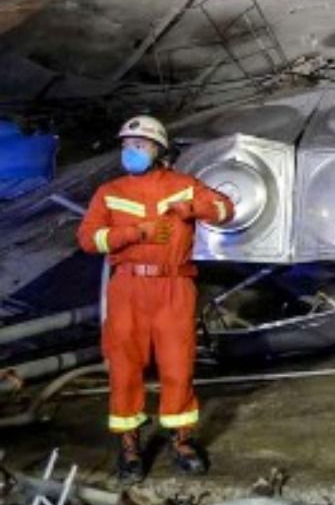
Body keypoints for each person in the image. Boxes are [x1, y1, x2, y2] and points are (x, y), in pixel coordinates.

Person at [76, 116, 234, 484]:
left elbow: (226, 209)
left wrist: (193, 209)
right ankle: (129, 447)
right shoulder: (109, 192)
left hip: (174, 288)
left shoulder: (183, 186)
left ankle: (182, 443)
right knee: (125, 367)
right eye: (126, 146)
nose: (130, 152)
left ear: (159, 150)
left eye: (140, 145)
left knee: (178, 366)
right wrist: (134, 232)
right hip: (127, 289)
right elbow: (87, 239)